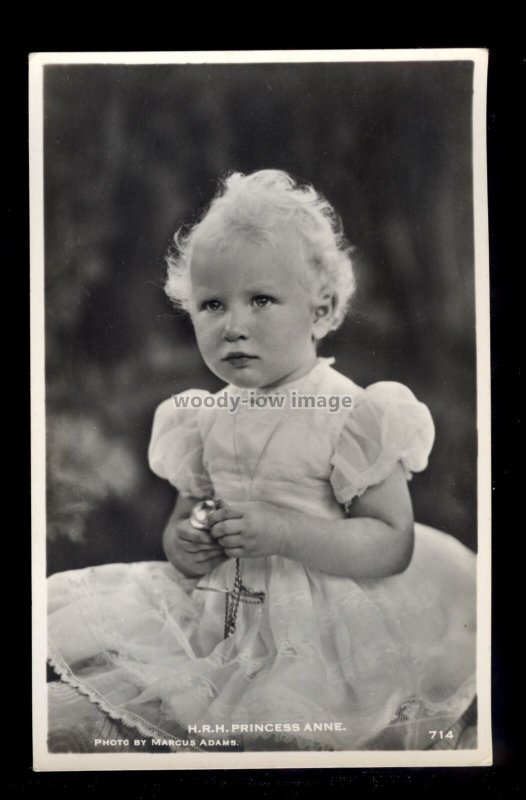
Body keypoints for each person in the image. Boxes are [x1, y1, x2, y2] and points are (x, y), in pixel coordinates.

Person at [47, 169, 476, 752]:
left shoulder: (353, 415)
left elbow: (391, 541)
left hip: (327, 627)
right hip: (227, 617)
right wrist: (188, 544)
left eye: (262, 300)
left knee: (293, 732)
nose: (234, 326)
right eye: (212, 305)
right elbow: (184, 520)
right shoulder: (200, 418)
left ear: (321, 309)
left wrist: (282, 532)